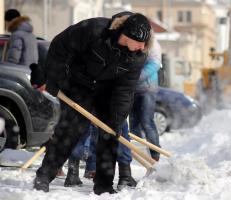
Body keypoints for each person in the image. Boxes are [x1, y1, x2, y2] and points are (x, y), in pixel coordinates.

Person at [30, 12, 152, 195]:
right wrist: (54, 79)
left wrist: (116, 120)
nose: (143, 47)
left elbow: (125, 90)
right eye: (139, 43)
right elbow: (60, 46)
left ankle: (104, 186)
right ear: (126, 35)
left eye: (145, 43)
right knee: (69, 131)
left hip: (107, 91)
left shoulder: (138, 56)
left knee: (110, 134)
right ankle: (44, 177)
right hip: (79, 84)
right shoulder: (94, 30)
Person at [129, 34, 162, 162]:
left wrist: (135, 77)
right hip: (133, 89)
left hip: (148, 89)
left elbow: (154, 64)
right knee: (134, 122)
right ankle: (138, 152)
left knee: (147, 121)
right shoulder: (132, 41)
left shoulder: (153, 43)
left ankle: (155, 154)